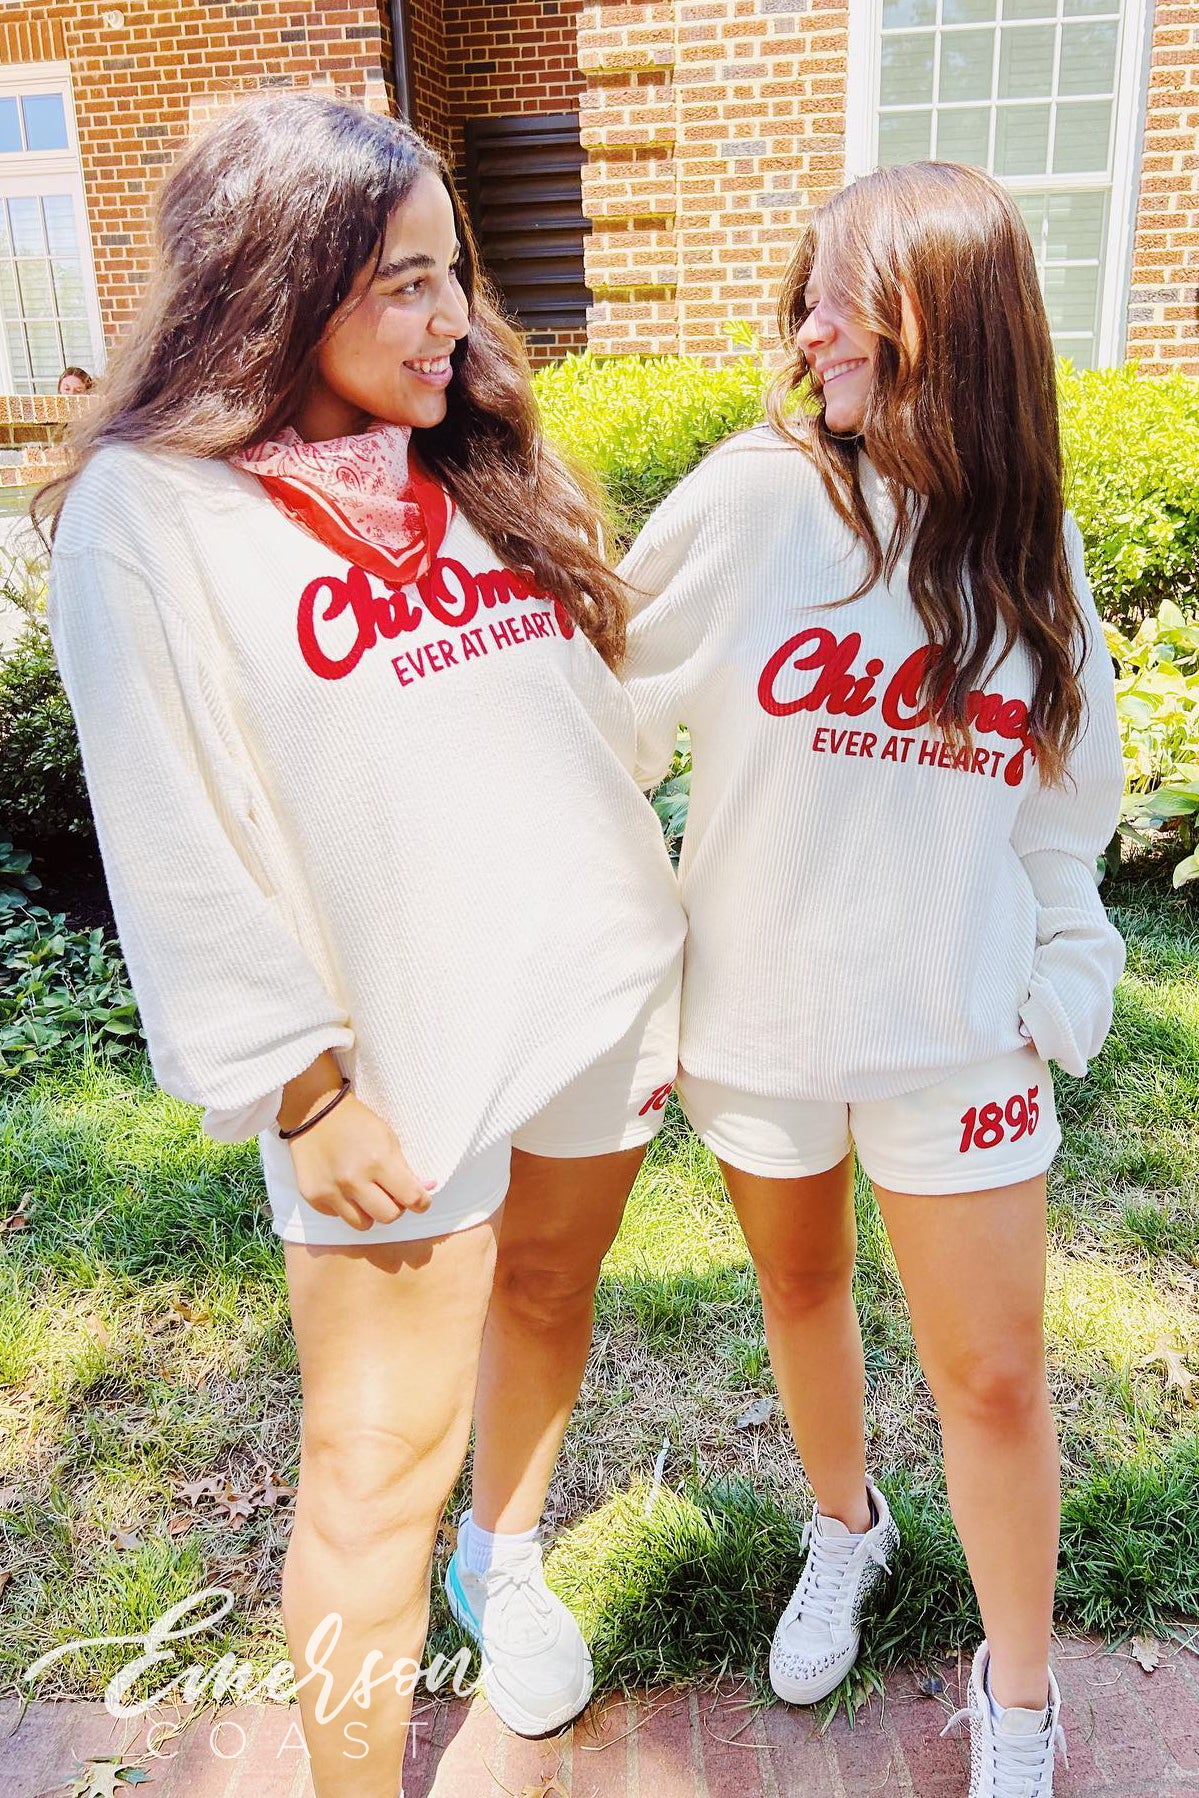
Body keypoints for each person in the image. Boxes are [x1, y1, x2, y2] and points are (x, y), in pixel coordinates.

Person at [39, 93, 685, 1798]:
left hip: (603, 990)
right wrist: (302, 1087)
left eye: (453, 273)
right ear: (273, 283)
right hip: (390, 1062)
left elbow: (591, 721)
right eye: (403, 281)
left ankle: (507, 1556)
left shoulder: (462, 465)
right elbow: (172, 835)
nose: (451, 317)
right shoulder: (150, 516)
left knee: (549, 1293)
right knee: (373, 1469)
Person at [618, 161, 1125, 1798]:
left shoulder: (1027, 544)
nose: (810, 326)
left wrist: (1066, 968)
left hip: (961, 1031)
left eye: (845, 293)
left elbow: (1065, 807)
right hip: (762, 1021)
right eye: (809, 295)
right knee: (802, 1290)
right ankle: (848, 1525)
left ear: (944, 318)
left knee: (995, 1373)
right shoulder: (757, 503)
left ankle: (1020, 1694)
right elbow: (604, 720)